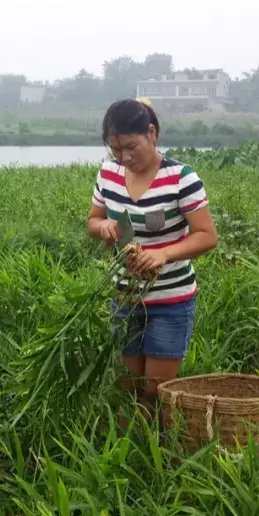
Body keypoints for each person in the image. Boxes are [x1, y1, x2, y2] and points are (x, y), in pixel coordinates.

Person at [86, 98, 218, 420]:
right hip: (126, 296)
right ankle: (131, 451)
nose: (125, 157)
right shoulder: (108, 173)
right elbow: (92, 220)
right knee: (128, 387)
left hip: (171, 300)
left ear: (152, 133)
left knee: (156, 390)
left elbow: (207, 235)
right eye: (116, 149)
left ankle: (162, 451)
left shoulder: (181, 178)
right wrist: (103, 226)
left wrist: (164, 254)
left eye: (132, 147)